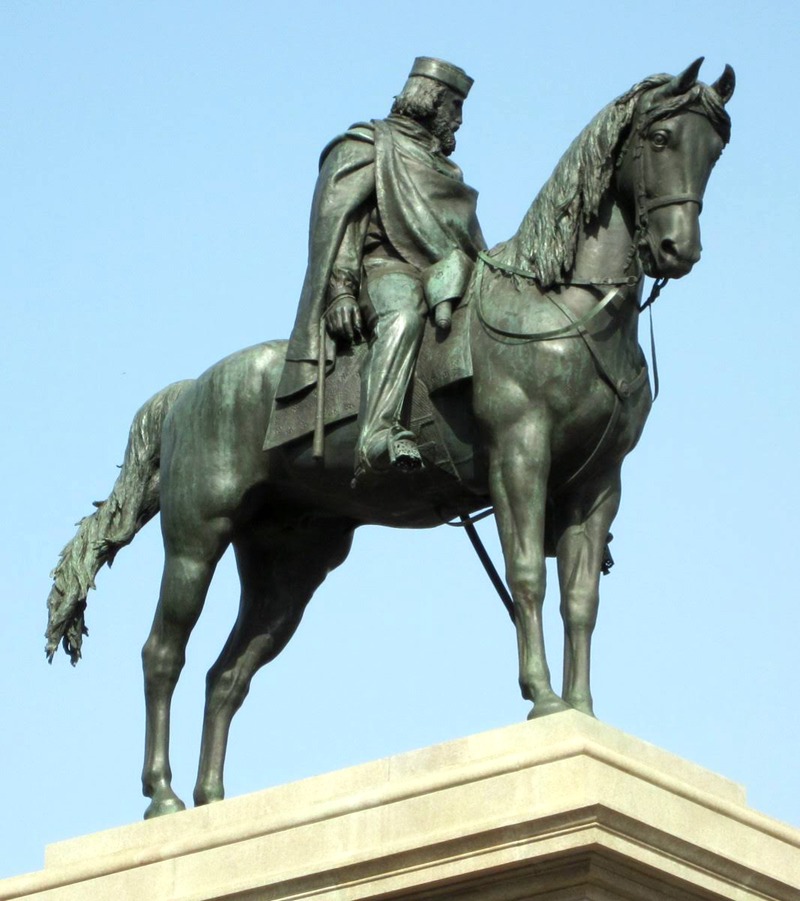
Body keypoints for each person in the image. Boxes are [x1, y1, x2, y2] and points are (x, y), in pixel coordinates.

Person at [275, 57, 485, 478]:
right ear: (431, 102)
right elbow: (336, 227)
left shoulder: (443, 167)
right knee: (403, 315)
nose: (459, 120)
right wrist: (340, 291)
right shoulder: (366, 145)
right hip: (384, 271)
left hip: (447, 274)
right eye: (454, 106)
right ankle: (377, 431)